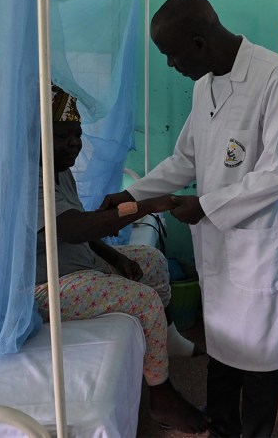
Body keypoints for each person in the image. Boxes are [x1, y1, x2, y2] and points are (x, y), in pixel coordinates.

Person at [101, 0, 278, 437]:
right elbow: (185, 161)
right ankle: (220, 428)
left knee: (257, 367)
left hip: (256, 251)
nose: (171, 66)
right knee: (223, 354)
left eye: (171, 55)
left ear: (197, 42)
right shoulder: (204, 84)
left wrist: (205, 206)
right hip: (217, 249)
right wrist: (130, 194)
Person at [34, 84, 208, 433]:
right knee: (142, 300)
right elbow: (74, 228)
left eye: (77, 135)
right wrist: (146, 205)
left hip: (77, 264)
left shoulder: (58, 171)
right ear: (37, 136)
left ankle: (168, 337)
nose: (74, 144)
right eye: (62, 135)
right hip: (41, 287)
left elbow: (77, 225)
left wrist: (115, 256)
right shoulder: (28, 180)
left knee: (151, 259)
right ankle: (161, 395)